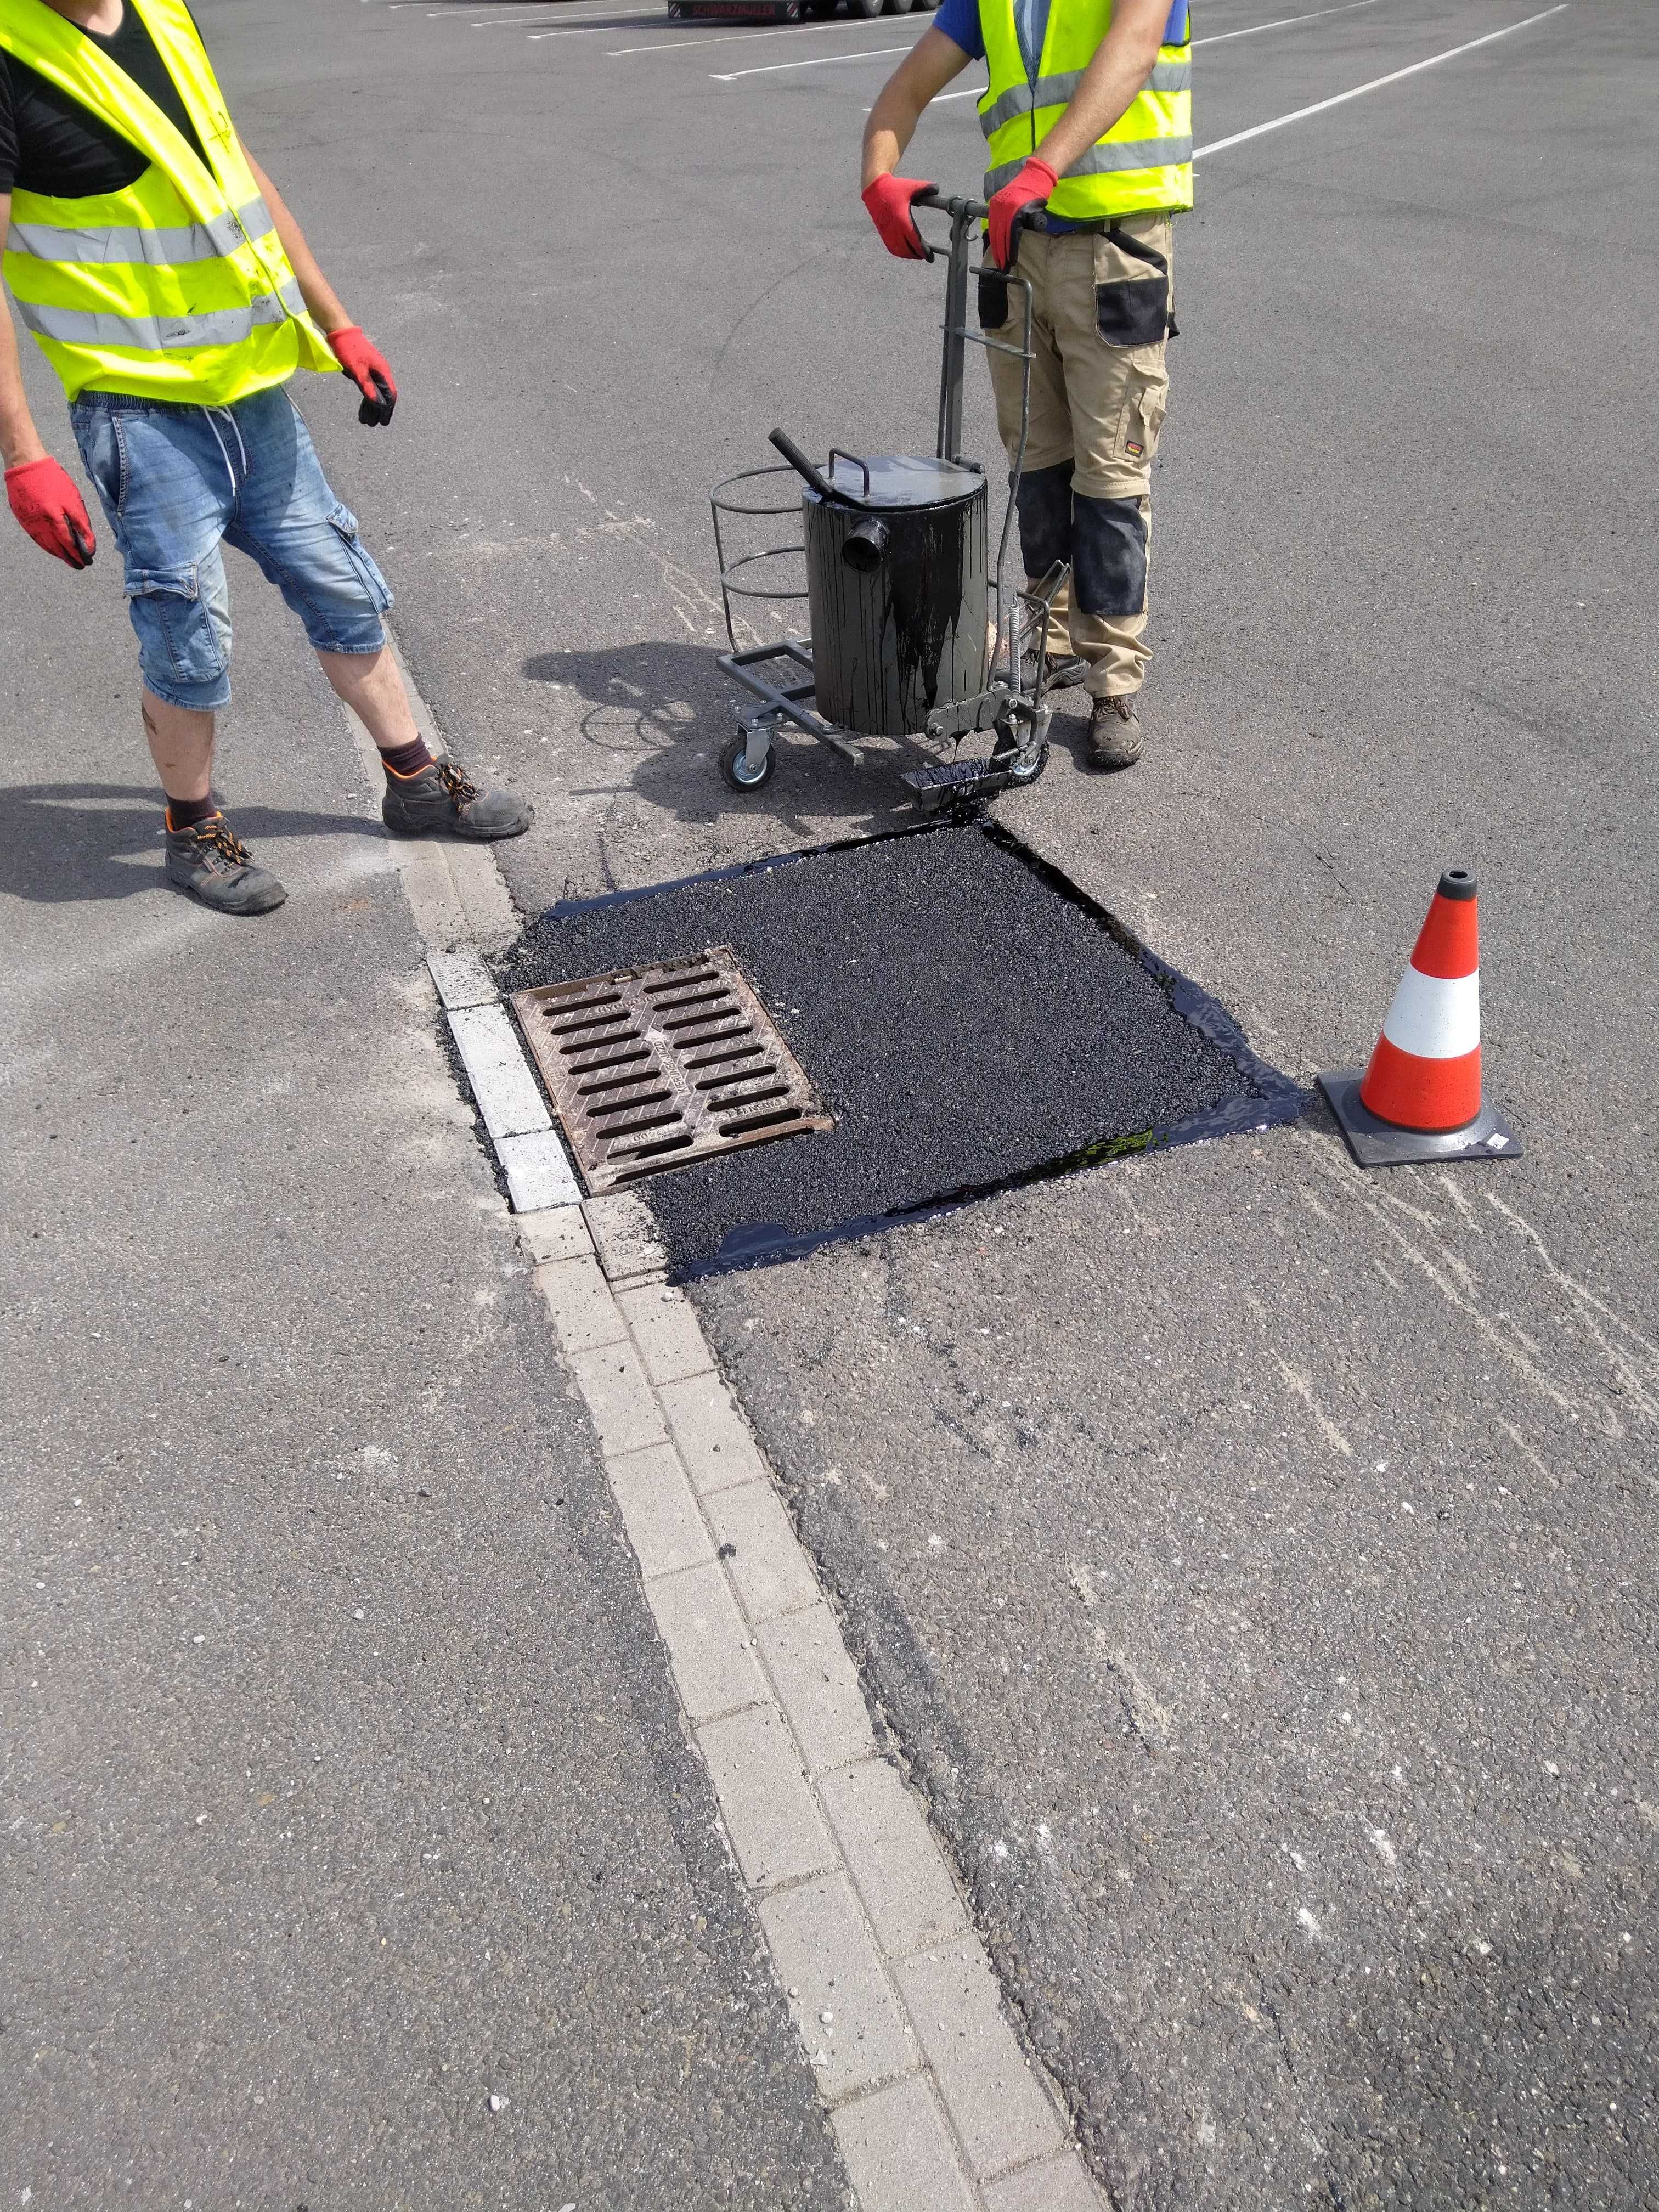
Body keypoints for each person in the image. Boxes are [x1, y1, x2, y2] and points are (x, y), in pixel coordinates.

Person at [1, 0, 530, 917]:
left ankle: (413, 780)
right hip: (140, 411)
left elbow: (236, 170)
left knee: (341, 582)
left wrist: (338, 319)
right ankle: (191, 829)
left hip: (254, 391)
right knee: (187, 632)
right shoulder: (11, 54)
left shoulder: (164, 13)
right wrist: (23, 455)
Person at [861, 0, 1191, 770]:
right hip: (1018, 251)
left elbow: (1135, 48)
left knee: (1110, 475)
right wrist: (878, 172)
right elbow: (905, 91)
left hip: (1115, 245)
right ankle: (1049, 639)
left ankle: (1113, 679)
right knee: (1036, 464)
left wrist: (1046, 168)